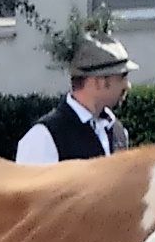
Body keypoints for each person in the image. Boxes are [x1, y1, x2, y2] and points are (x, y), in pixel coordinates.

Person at [14, 32, 137, 165]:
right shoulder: (43, 137)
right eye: (122, 77)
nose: (127, 85)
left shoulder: (117, 132)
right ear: (99, 82)